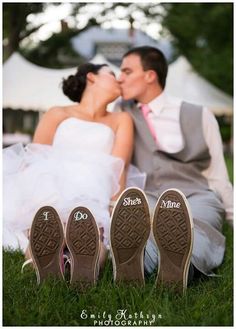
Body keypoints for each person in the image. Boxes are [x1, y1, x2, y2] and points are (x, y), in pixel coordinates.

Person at [3, 62, 141, 282]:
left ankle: (85, 264)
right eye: (112, 74)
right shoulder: (58, 113)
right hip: (51, 184)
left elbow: (119, 169)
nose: (119, 80)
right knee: (48, 222)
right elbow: (35, 157)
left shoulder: (121, 119)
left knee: (89, 226)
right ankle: (43, 258)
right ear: (92, 77)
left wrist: (114, 212)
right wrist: (24, 201)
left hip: (95, 190)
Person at [116, 46, 233, 286]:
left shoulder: (200, 115)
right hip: (146, 195)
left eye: (127, 71)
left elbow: (218, 176)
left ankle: (172, 264)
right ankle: (156, 263)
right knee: (138, 224)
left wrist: (232, 217)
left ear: (150, 75)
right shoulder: (121, 113)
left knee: (197, 227)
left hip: (196, 194)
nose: (120, 78)